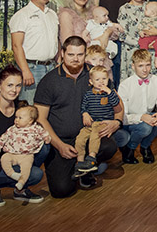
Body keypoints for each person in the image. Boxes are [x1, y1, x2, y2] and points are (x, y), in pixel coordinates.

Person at [35, 36, 122, 198]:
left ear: (85, 54)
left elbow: (117, 101)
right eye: (71, 55)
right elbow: (40, 118)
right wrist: (59, 145)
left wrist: (117, 121)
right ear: (62, 54)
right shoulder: (49, 81)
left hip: (90, 135)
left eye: (80, 55)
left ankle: (86, 168)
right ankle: (78, 167)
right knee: (62, 190)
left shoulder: (95, 74)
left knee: (109, 146)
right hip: (62, 141)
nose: (75, 59)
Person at [0, 65, 49, 207]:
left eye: (18, 85)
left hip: (17, 156)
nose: (14, 90)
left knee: (45, 146)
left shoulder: (21, 107)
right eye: (10, 85)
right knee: (36, 174)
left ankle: (20, 189)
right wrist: (4, 147)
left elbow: (34, 128)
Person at [9, 0, 59, 104]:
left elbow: (56, 40)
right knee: (30, 107)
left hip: (51, 67)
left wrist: (59, 61)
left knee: (49, 104)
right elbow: (16, 45)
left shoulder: (52, 14)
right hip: (32, 68)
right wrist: (25, 70)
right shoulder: (22, 15)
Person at [118, 49, 157, 164]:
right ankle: (130, 147)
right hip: (130, 122)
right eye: (140, 66)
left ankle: (145, 146)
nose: (145, 69)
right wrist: (141, 117)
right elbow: (123, 118)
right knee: (145, 127)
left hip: (147, 116)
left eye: (147, 65)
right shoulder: (125, 85)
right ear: (133, 66)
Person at [92, 0, 132, 84]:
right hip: (104, 37)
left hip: (127, 38)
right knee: (105, 74)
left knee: (125, 76)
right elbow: (94, 10)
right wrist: (107, 29)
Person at [73, 66, 120, 176]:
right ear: (91, 82)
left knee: (95, 135)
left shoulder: (109, 93)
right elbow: (83, 107)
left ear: (108, 79)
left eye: (104, 79)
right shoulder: (88, 94)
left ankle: (92, 158)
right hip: (91, 123)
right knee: (80, 138)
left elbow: (116, 102)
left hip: (103, 123)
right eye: (97, 79)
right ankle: (80, 162)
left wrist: (109, 91)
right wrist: (85, 113)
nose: (101, 82)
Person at [0, 105, 51, 191]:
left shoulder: (36, 128)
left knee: (26, 168)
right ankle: (12, 174)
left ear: (30, 120)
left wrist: (47, 138)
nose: (16, 120)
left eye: (20, 118)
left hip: (26, 155)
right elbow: (3, 138)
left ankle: (21, 182)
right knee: (4, 159)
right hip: (12, 154)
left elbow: (45, 133)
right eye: (16, 117)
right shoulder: (12, 129)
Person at [118, 0, 153, 80]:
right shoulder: (124, 9)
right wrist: (140, 43)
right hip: (132, 51)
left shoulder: (150, 6)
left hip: (150, 50)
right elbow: (122, 34)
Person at [137, 1, 157, 68]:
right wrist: (140, 32)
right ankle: (144, 60)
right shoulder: (145, 19)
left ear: (152, 12)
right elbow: (140, 26)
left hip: (156, 37)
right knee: (143, 46)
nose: (144, 11)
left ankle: (156, 60)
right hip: (145, 37)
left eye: (146, 9)